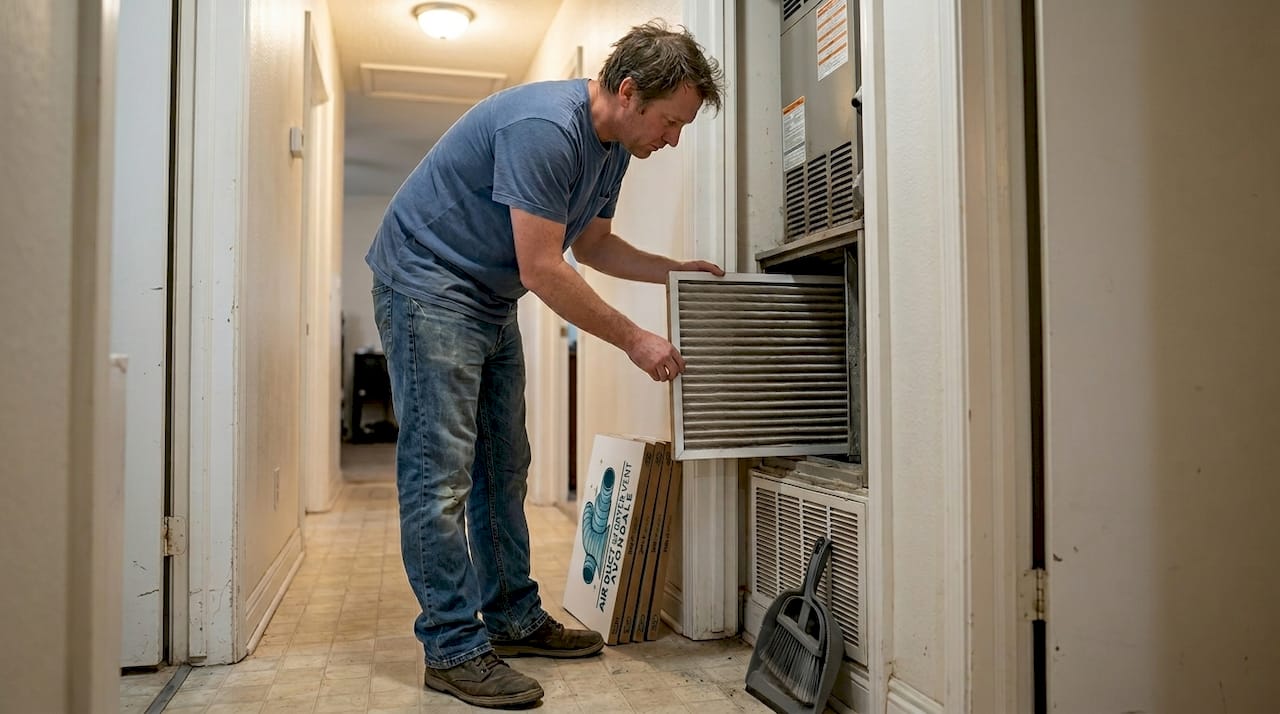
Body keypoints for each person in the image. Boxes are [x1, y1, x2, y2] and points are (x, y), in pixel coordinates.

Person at [365, 19, 725, 709]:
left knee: (506, 462)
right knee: (439, 474)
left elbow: (591, 248)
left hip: (486, 297)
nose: (674, 138)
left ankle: (511, 616)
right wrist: (635, 340)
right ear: (628, 92)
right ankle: (452, 647)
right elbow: (541, 267)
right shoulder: (546, 128)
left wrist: (675, 272)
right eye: (673, 122)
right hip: (426, 285)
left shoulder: (615, 148)